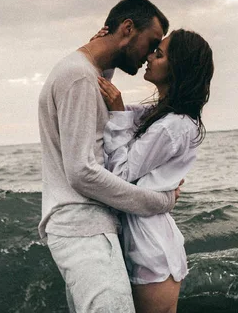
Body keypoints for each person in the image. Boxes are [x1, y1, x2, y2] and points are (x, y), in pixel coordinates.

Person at [38, 0, 183, 313]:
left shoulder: (85, 74)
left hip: (83, 228)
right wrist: (159, 201)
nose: (149, 55)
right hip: (85, 231)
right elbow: (82, 172)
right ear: (128, 28)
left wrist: (105, 59)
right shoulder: (79, 78)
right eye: (151, 43)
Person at [96, 28, 214, 313]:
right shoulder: (163, 116)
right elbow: (115, 108)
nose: (149, 56)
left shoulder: (172, 126)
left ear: (177, 68)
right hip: (151, 242)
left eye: (158, 54)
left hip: (151, 250)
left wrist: (119, 112)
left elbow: (120, 174)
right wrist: (106, 53)